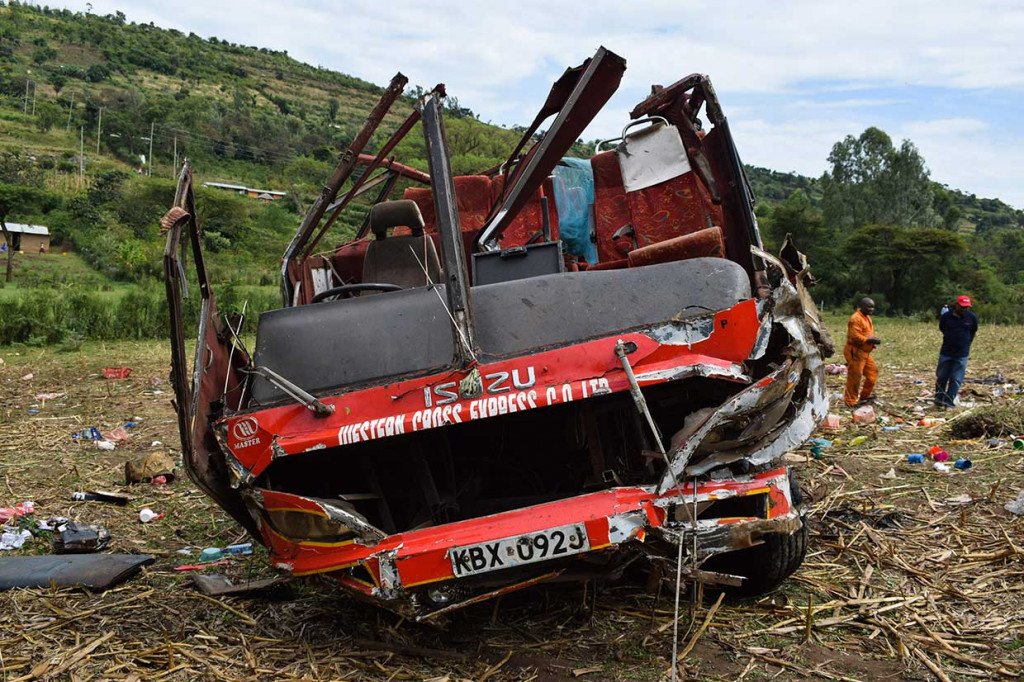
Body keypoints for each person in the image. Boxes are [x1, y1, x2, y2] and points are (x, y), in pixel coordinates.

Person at [934, 295, 978, 407]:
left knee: (956, 379)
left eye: (966, 307)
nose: (964, 309)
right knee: (942, 377)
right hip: (946, 352)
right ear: (956, 305)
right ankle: (938, 399)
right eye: (962, 307)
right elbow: (942, 328)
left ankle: (948, 401)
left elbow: (973, 332)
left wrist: (966, 344)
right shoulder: (946, 317)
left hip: (962, 353)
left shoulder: (971, 317)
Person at [843, 297, 881, 407]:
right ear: (862, 306)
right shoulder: (855, 318)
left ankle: (865, 396)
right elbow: (854, 336)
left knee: (873, 374)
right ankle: (850, 402)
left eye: (872, 307)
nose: (871, 309)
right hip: (855, 351)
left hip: (865, 352)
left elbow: (867, 333)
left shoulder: (867, 317)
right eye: (869, 307)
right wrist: (869, 340)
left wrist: (873, 339)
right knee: (855, 377)